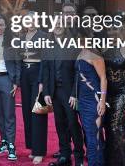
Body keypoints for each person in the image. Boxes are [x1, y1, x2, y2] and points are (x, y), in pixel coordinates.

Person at [41, 14, 83, 166]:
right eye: (55, 23)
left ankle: (78, 156)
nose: (58, 26)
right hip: (54, 92)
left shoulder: (73, 43)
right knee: (60, 123)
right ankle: (65, 154)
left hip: (69, 92)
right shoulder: (48, 44)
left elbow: (79, 70)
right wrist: (46, 92)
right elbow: (45, 69)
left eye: (60, 23)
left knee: (73, 123)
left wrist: (74, 93)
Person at [102, 14, 125, 166]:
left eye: (114, 28)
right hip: (108, 94)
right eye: (109, 29)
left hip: (124, 93)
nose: (112, 31)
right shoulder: (103, 46)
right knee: (108, 127)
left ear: (121, 28)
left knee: (117, 126)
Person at [0, 14, 20, 161]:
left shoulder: (12, 41)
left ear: (5, 26)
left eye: (1, 25)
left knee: (9, 114)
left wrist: (16, 82)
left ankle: (12, 145)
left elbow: (19, 62)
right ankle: (4, 142)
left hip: (7, 79)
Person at [73, 27, 107, 166]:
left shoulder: (94, 54)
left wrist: (102, 101)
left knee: (94, 138)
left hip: (94, 101)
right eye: (78, 38)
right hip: (83, 101)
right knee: (90, 135)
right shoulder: (81, 53)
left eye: (83, 38)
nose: (80, 41)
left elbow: (103, 78)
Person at [19, 12, 49, 164]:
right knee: (26, 111)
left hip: (38, 72)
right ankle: (32, 147)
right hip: (25, 73)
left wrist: (42, 81)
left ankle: (40, 151)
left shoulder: (44, 36)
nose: (29, 23)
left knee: (38, 111)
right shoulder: (22, 37)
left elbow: (45, 60)